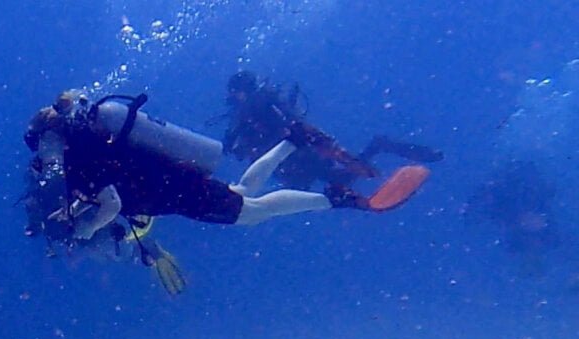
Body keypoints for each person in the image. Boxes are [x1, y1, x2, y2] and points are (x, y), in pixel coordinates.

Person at [23, 90, 418, 251]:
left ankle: (334, 198)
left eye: (42, 152)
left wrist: (85, 228)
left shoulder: (81, 158)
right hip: (173, 179)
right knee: (242, 192)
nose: (44, 161)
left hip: (173, 191)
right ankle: (294, 139)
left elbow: (109, 203)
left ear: (48, 141)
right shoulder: (92, 140)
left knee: (252, 212)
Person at [221, 70, 443, 192]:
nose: (231, 99)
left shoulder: (249, 106)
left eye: (233, 94)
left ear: (239, 92)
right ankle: (375, 152)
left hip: (295, 155)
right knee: (332, 181)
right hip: (299, 151)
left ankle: (377, 147)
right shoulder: (263, 99)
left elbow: (237, 143)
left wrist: (232, 143)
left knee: (334, 180)